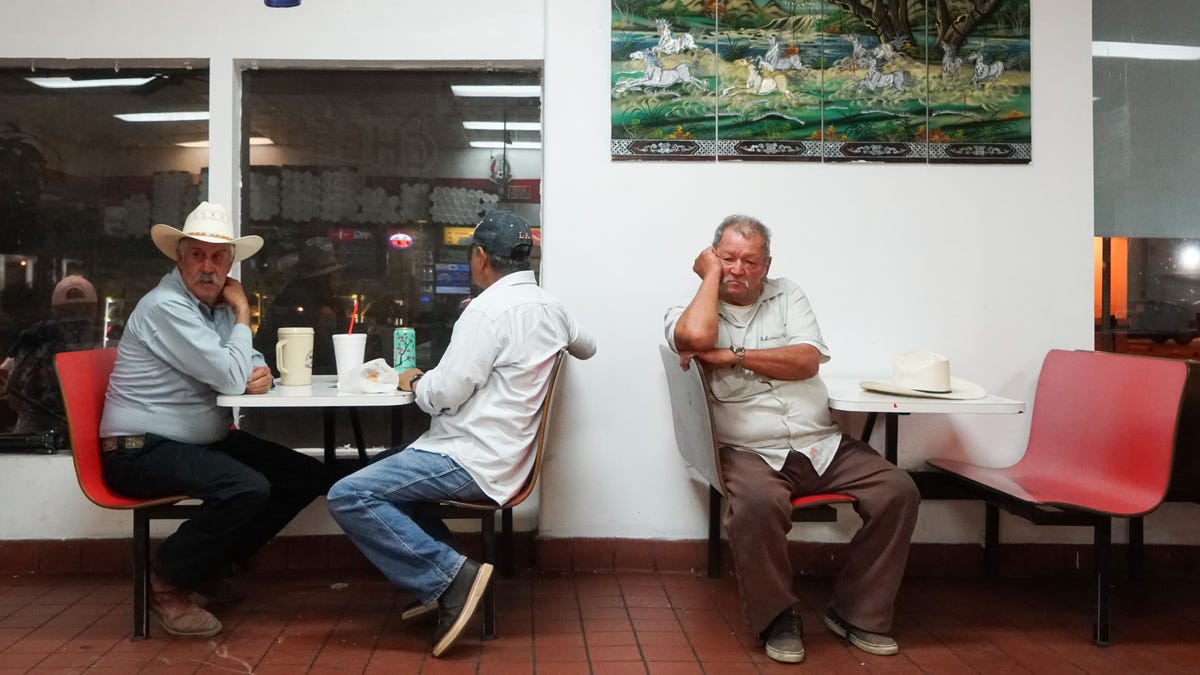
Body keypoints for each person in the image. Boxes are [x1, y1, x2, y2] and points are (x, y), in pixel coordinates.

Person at [327, 211, 596, 658]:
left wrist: (413, 380)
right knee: (381, 472)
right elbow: (588, 346)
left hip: (470, 458)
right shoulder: (551, 307)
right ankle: (455, 579)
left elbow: (442, 395)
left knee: (348, 495)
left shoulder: (486, 312)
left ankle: (451, 577)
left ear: (480, 257)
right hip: (509, 456)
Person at [664, 214, 919, 664]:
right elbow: (694, 337)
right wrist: (709, 278)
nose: (739, 269)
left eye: (750, 260)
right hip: (749, 451)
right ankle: (778, 617)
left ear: (767, 264)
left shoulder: (789, 295)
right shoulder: (690, 311)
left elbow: (805, 361)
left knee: (898, 490)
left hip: (820, 442)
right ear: (710, 259)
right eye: (727, 259)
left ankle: (857, 611)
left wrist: (735, 355)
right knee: (759, 505)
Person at [99, 202, 327, 638]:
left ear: (230, 263)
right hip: (138, 449)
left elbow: (242, 360)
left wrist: (257, 369)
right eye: (197, 255)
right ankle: (166, 580)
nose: (208, 267)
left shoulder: (210, 308)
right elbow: (226, 372)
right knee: (246, 486)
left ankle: (213, 563)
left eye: (218, 257)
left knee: (303, 475)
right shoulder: (168, 306)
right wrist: (243, 310)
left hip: (195, 441)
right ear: (179, 258)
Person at [2, 274, 101, 440]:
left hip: (86, 439)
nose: (75, 323)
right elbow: (12, 396)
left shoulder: (108, 349)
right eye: (68, 312)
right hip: (36, 441)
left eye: (83, 311)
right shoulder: (35, 344)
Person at [255, 236, 348, 375]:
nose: (335, 280)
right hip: (292, 378)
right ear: (319, 279)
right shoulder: (294, 301)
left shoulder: (328, 302)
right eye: (330, 275)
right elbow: (311, 353)